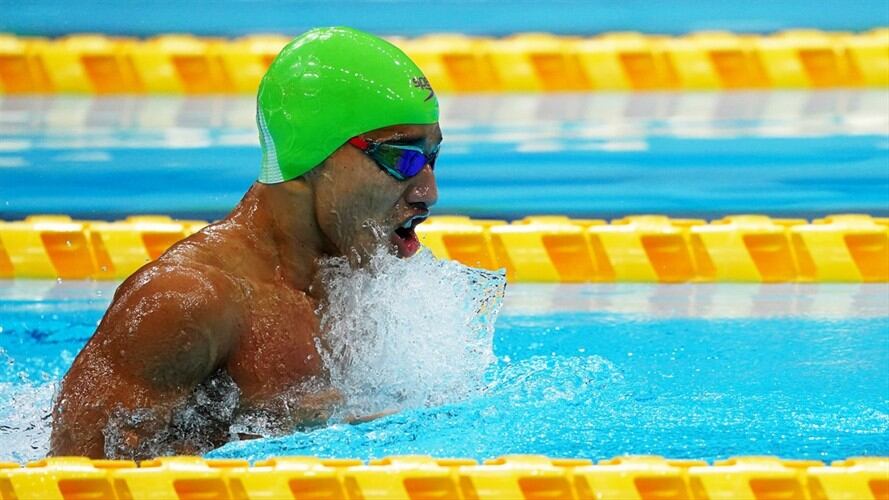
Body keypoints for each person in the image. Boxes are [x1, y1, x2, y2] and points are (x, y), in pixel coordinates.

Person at [50, 26, 442, 459]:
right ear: (311, 156)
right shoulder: (188, 302)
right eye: (402, 158)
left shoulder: (355, 283)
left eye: (431, 158)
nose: (428, 191)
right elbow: (76, 477)